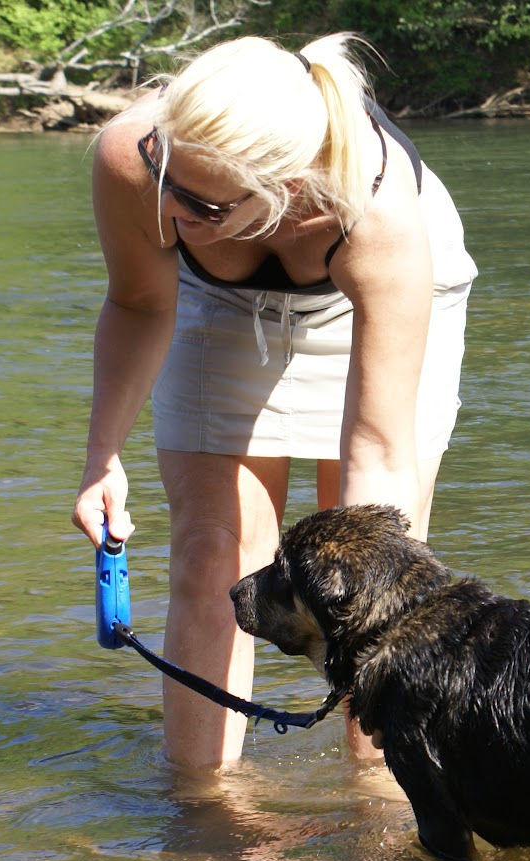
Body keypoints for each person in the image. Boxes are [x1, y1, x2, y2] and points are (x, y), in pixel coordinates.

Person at [70, 33, 478, 771]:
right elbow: (137, 303)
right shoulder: (137, 158)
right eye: (164, 171)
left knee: (370, 581)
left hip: (372, 290)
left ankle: (381, 812)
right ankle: (202, 822)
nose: (165, 208)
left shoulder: (378, 214)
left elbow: (376, 453)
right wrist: (102, 458)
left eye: (196, 202)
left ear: (284, 188)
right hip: (214, 301)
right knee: (211, 553)